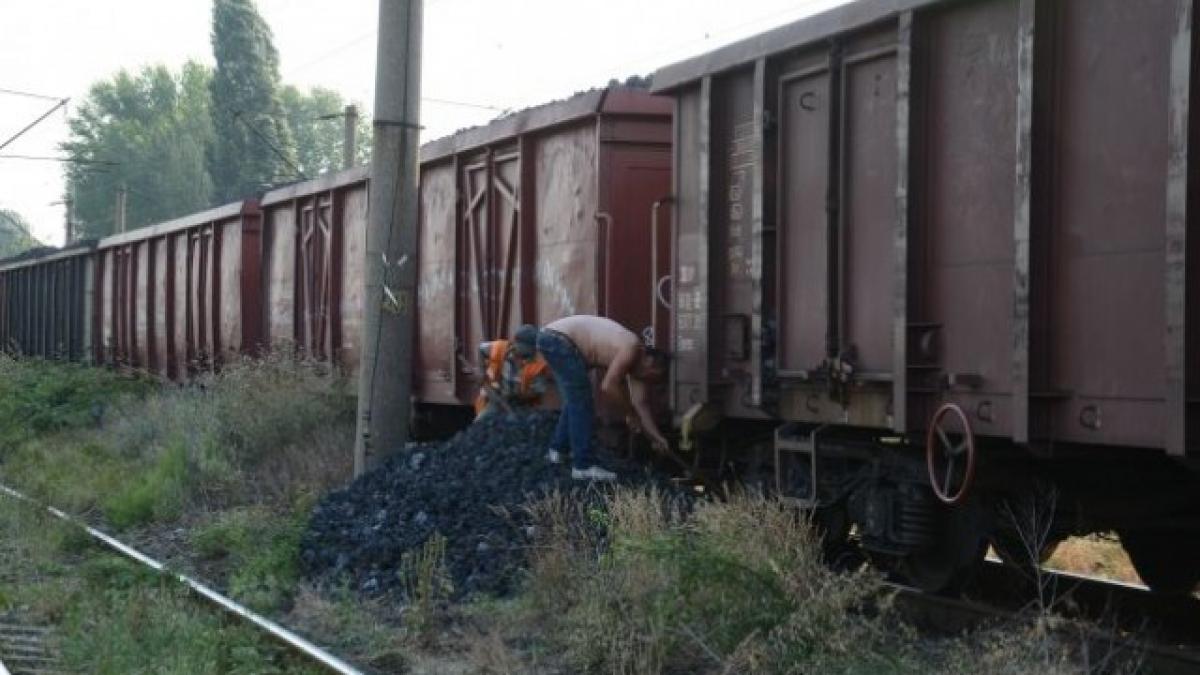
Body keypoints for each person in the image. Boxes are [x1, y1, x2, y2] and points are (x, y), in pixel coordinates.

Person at [536, 314, 670, 481]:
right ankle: (583, 466)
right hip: (558, 339)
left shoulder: (638, 368)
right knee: (582, 399)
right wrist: (629, 413)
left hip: (552, 338)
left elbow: (640, 404)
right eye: (654, 377)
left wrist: (655, 437)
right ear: (650, 363)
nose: (651, 381)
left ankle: (557, 451)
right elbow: (608, 386)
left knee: (576, 400)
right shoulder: (631, 347)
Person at [474, 324, 552, 420]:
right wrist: (481, 371)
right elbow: (481, 349)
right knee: (481, 423)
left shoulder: (537, 366)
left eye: (533, 348)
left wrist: (516, 398)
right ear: (516, 343)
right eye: (529, 347)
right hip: (496, 400)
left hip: (521, 405)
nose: (532, 351)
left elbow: (538, 392)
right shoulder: (499, 349)